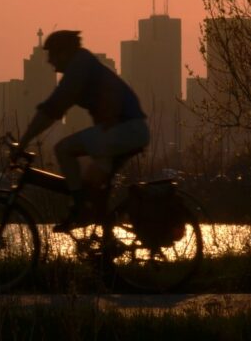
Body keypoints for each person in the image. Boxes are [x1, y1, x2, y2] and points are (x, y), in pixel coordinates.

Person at [15, 30, 150, 232]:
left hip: (124, 130)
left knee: (63, 149)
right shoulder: (83, 65)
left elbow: (53, 108)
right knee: (92, 186)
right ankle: (104, 244)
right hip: (124, 131)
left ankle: (80, 210)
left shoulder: (79, 69)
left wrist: (24, 142)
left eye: (52, 55)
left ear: (65, 53)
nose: (50, 62)